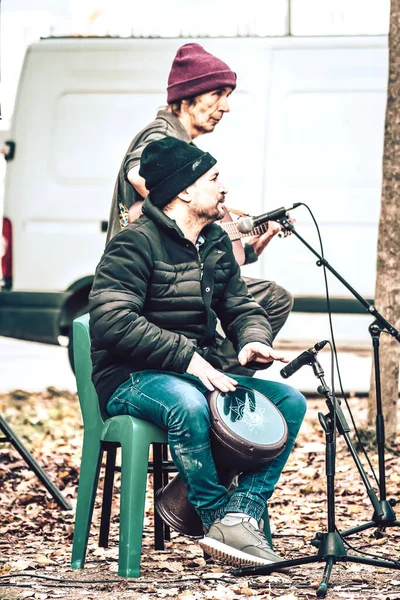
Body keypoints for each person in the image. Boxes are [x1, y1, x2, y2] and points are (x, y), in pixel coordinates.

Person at [90, 137, 306, 566]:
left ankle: (241, 513)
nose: (223, 188)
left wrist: (253, 340)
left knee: (288, 402)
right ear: (184, 190)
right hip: (132, 376)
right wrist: (188, 358)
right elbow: (112, 321)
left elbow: (240, 305)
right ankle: (214, 521)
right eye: (214, 178)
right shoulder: (134, 243)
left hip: (192, 372)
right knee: (188, 403)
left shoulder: (215, 243)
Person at [106, 42, 293, 376]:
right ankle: (219, 391)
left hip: (172, 268)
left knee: (246, 300)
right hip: (153, 274)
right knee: (273, 298)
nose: (225, 106)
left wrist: (242, 245)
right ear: (186, 97)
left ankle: (218, 385)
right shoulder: (162, 135)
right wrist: (200, 214)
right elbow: (138, 174)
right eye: (217, 94)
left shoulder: (182, 142)